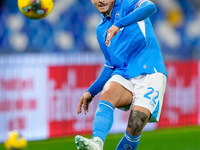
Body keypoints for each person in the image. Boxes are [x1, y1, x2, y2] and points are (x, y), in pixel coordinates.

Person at [75, 0, 167, 149]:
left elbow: (150, 7)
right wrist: (90, 92)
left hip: (151, 72)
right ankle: (96, 143)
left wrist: (119, 24)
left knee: (136, 122)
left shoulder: (128, 3)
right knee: (109, 91)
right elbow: (111, 65)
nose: (101, 0)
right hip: (124, 73)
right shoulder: (101, 30)